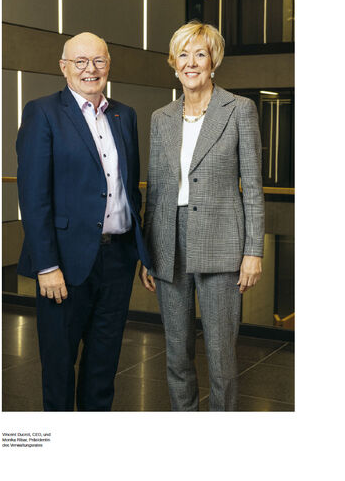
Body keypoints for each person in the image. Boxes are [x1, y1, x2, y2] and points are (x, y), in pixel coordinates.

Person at [16, 32, 150, 411]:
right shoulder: (43, 112)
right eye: (80, 61)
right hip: (64, 264)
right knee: (60, 369)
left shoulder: (125, 115)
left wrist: (142, 252)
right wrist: (46, 266)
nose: (90, 69)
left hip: (118, 260)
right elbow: (34, 197)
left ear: (108, 65)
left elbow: (130, 189)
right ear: (64, 67)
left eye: (99, 61)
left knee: (103, 370)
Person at [139, 21, 265, 411]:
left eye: (200, 54)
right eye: (183, 55)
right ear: (173, 63)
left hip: (222, 244)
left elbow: (253, 187)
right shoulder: (161, 117)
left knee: (222, 357)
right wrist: (148, 254)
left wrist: (253, 251)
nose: (191, 63)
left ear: (213, 61)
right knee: (176, 353)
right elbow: (156, 190)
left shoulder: (239, 109)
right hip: (169, 244)